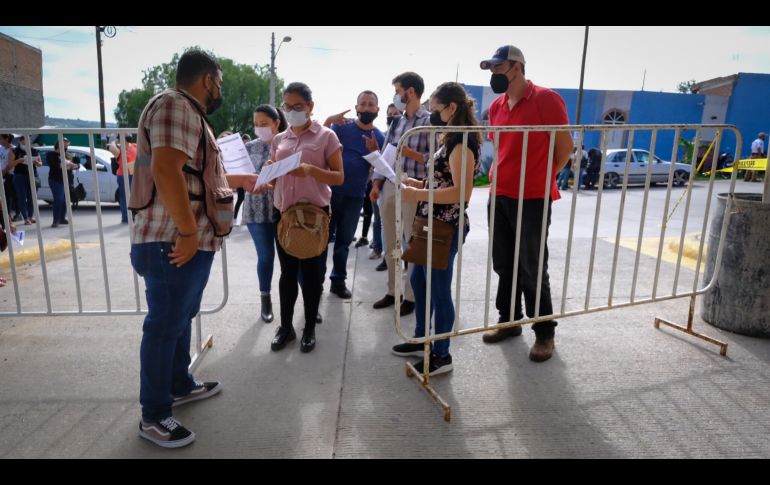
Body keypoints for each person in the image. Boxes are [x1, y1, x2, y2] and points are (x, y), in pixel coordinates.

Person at [128, 50, 265, 448]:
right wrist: (188, 233)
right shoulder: (175, 105)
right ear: (207, 79)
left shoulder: (188, 112)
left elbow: (195, 173)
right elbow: (166, 170)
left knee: (180, 316)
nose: (220, 89)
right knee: (164, 324)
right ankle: (154, 415)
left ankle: (178, 384)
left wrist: (238, 180)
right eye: (219, 82)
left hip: (182, 238)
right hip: (173, 239)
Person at [478, 45, 573, 363]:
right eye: (491, 69)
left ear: (516, 67)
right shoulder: (497, 107)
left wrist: (541, 179)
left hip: (532, 197)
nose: (494, 74)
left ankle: (545, 334)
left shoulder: (546, 98)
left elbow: (564, 148)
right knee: (504, 263)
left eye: (498, 68)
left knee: (532, 267)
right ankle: (509, 321)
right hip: (500, 194)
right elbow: (501, 148)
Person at [390, 82, 481, 376]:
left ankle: (441, 355)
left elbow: (461, 193)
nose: (432, 115)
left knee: (439, 291)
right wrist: (419, 185)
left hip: (446, 225)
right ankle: (421, 339)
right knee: (418, 280)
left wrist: (419, 194)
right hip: (430, 220)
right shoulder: (449, 138)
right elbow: (442, 182)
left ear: (452, 108)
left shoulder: (462, 143)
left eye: (435, 108)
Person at [268, 82, 344, 353]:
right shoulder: (280, 139)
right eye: (287, 107)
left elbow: (338, 176)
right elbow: (274, 174)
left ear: (310, 106)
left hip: (314, 215)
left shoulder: (326, 137)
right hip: (285, 213)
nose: (292, 111)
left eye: (297, 106)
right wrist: (270, 172)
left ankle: (309, 327)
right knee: (287, 274)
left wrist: (311, 170)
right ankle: (285, 327)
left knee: (312, 275)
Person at [370, 72, 435, 316]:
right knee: (391, 242)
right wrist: (376, 183)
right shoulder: (396, 122)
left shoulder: (429, 122)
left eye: (398, 91)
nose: (396, 97)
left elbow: (437, 159)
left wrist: (414, 155)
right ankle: (392, 291)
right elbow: (386, 153)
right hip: (389, 184)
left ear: (411, 92)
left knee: (412, 242)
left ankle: (411, 296)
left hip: (412, 186)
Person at [322, 91, 385, 298]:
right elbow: (319, 144)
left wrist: (375, 152)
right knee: (322, 241)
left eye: (371, 105)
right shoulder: (340, 127)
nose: (367, 108)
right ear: (356, 107)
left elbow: (381, 168)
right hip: (330, 193)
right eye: (363, 104)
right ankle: (316, 282)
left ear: (377, 109)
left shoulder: (380, 137)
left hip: (355, 196)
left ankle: (338, 281)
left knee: (343, 242)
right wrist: (328, 121)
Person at [243, 105, 287, 323]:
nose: (260, 129)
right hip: (256, 210)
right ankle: (265, 299)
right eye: (256, 124)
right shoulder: (248, 148)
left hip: (283, 210)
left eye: (264, 124)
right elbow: (239, 177)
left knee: (292, 257)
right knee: (266, 257)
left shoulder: (287, 145)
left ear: (276, 123)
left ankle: (310, 302)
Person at [9, 136, 42, 225]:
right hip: (19, 176)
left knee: (32, 197)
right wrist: (19, 161)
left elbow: (40, 163)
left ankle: (30, 216)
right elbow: (10, 164)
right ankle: (25, 217)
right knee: (22, 197)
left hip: (32, 176)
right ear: (20, 141)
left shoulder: (34, 150)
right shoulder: (15, 150)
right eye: (25, 139)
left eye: (29, 139)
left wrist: (35, 162)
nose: (27, 141)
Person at [46, 139, 79, 227]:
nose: (66, 148)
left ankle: (61, 218)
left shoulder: (67, 155)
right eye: (64, 146)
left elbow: (75, 165)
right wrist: (67, 164)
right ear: (58, 145)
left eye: (67, 146)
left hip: (66, 180)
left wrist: (74, 165)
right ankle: (55, 220)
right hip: (56, 180)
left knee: (64, 200)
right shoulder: (51, 154)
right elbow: (55, 165)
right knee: (59, 199)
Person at [109, 136, 137, 223]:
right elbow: (111, 148)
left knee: (135, 196)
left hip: (134, 174)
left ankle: (134, 215)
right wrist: (114, 140)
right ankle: (126, 217)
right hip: (123, 176)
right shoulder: (119, 149)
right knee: (125, 197)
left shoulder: (134, 146)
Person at [0, 134, 20, 222]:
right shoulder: (1, 148)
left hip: (9, 175)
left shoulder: (13, 150)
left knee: (10, 195)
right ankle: (7, 215)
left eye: (0, 138)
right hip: (2, 173)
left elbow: (10, 165)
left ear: (7, 139)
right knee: (5, 195)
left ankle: (16, 214)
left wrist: (4, 172)